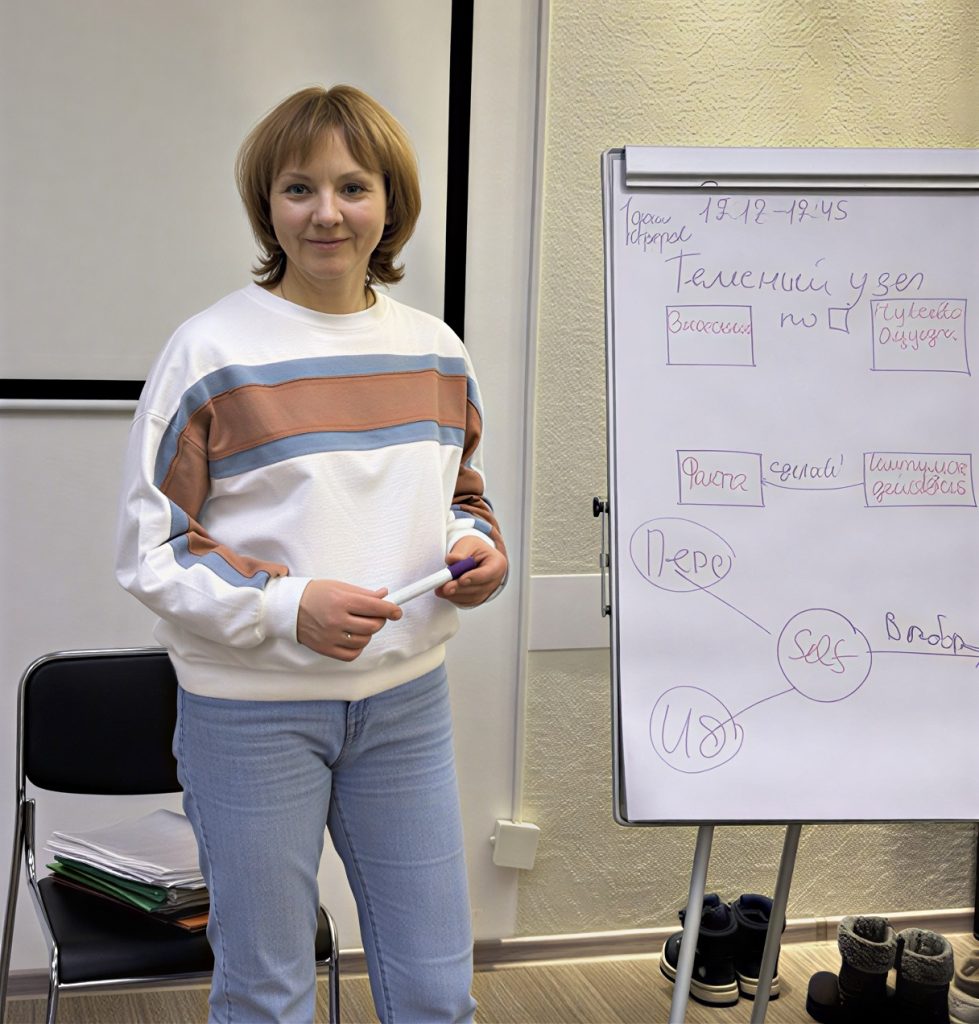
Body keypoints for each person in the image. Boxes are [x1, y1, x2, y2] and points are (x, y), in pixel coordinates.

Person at [115, 84, 507, 1024]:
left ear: (390, 203)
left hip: (406, 708)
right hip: (250, 717)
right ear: (268, 206)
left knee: (436, 991)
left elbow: (462, 497)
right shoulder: (209, 351)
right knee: (266, 995)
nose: (326, 213)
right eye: (299, 189)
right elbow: (151, 548)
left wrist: (476, 549)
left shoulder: (436, 351)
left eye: (352, 187)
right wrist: (288, 606)